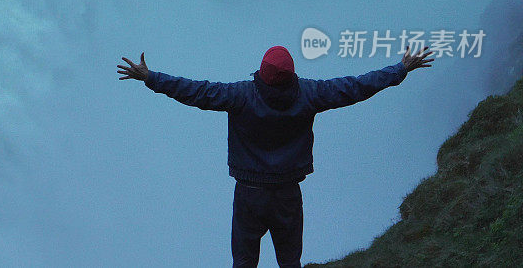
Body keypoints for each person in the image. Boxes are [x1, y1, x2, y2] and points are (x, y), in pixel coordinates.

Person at [116, 45, 434, 267]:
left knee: (243, 262)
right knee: (289, 261)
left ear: (262, 72)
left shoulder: (239, 96)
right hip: (287, 193)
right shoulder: (310, 94)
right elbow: (355, 87)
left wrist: (151, 77)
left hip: (249, 194)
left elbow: (196, 92)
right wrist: (400, 69)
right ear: (292, 73)